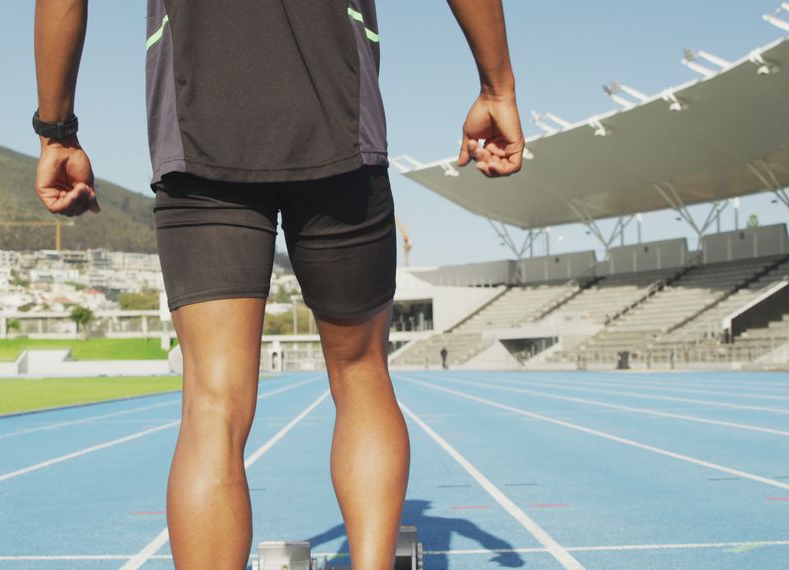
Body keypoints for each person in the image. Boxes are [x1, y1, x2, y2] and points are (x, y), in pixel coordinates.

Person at [31, 1, 525, 568]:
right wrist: (497, 88)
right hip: (337, 124)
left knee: (212, 402)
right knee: (361, 373)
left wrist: (57, 132)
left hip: (200, 133)